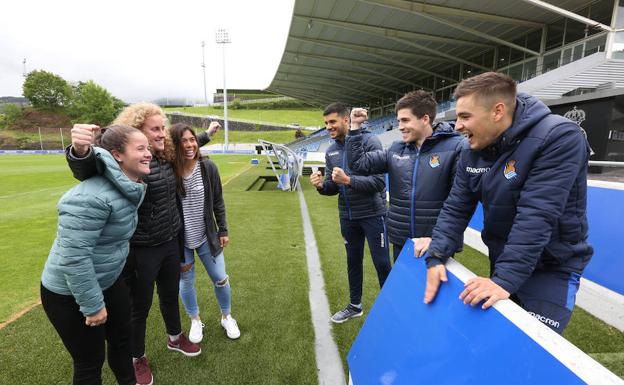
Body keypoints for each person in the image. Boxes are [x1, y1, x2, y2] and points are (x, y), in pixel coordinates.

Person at [422, 72, 593, 334]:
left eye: (465, 117)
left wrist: (504, 280)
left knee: (530, 356)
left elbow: (536, 214)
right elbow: (457, 206)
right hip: (504, 257)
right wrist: (436, 254)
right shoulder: (471, 149)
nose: (457, 126)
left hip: (552, 267)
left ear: (498, 111)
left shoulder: (560, 136)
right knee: (496, 342)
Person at [66, 103, 220, 385]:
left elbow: (190, 143)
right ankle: (137, 358)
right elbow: (90, 166)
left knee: (171, 294)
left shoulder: (167, 154)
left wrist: (207, 134)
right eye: (155, 129)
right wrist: (79, 150)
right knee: (140, 306)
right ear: (136, 132)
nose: (162, 134)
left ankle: (175, 337)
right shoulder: (124, 161)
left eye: (163, 128)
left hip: (170, 242)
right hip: (141, 248)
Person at [41, 125, 150, 385]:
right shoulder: (89, 197)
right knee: (89, 363)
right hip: (67, 293)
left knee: (122, 343)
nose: (149, 154)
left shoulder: (131, 185)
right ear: (118, 155)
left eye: (148, 148)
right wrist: (93, 306)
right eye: (141, 148)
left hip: (108, 280)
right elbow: (74, 258)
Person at [347, 91, 463, 262]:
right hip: (402, 239)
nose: (400, 126)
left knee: (431, 289)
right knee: (404, 287)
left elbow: (459, 201)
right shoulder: (396, 149)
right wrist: (355, 127)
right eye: (399, 120)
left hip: (435, 243)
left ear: (425, 119)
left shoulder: (454, 147)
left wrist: (439, 239)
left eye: (405, 120)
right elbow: (359, 164)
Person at [309, 102, 391, 323]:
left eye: (332, 122)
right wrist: (320, 186)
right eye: (326, 123)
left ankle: (390, 311)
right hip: (347, 216)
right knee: (353, 262)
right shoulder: (331, 150)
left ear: (346, 120)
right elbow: (332, 188)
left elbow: (378, 183)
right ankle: (355, 305)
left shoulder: (369, 141)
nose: (328, 127)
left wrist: (348, 180)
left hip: (373, 214)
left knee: (382, 263)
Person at [169, 123, 241, 342]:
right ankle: (195, 320)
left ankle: (226, 316)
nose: (190, 145)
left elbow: (218, 201)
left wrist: (223, 229)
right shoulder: (168, 169)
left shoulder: (208, 167)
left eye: (192, 139)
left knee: (220, 278)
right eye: (184, 141)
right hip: (181, 241)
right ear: (174, 145)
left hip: (206, 237)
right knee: (186, 282)